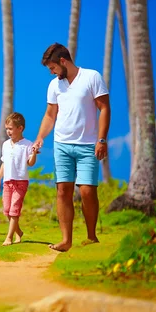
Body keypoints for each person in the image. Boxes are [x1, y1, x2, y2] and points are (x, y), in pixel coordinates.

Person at [33, 42, 110, 252]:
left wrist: (101, 140)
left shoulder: (92, 77)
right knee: (62, 192)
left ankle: (92, 237)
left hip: (88, 146)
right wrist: (40, 138)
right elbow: (50, 116)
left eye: (53, 68)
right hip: (62, 145)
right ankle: (66, 241)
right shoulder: (54, 85)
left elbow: (104, 108)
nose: (52, 72)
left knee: (87, 191)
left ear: (63, 61)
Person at [0, 112, 39, 246]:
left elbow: (30, 163)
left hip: (20, 182)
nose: (8, 131)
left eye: (11, 128)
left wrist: (34, 153)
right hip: (7, 182)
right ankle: (18, 231)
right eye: (6, 129)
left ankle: (9, 237)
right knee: (7, 210)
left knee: (14, 210)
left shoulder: (27, 144)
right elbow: (4, 163)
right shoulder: (5, 145)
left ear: (20, 128)